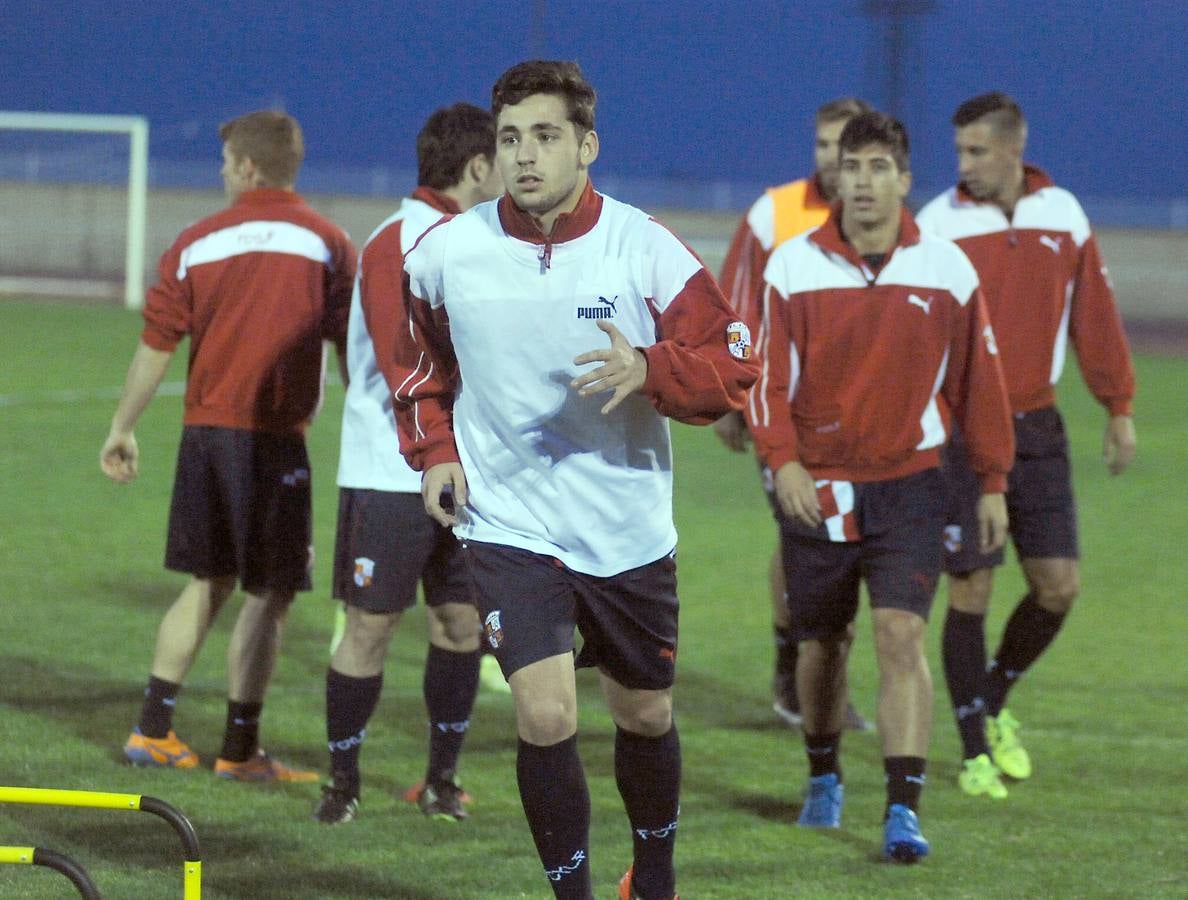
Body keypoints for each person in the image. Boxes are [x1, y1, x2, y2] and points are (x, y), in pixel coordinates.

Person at [391, 60, 757, 900]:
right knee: (546, 715)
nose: (525, 155)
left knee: (645, 716)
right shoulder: (448, 253)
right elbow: (417, 367)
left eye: (547, 136)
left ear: (587, 146)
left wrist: (653, 366)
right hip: (509, 522)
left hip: (626, 527)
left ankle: (653, 876)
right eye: (512, 138)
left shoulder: (644, 246)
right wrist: (436, 450)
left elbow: (735, 362)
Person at [746, 112, 1014, 862]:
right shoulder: (793, 266)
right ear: (839, 177)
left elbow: (979, 386)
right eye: (852, 166)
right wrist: (784, 461)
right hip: (818, 489)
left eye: (878, 167)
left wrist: (991, 480)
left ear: (904, 179)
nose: (862, 181)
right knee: (824, 646)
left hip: (910, 485)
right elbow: (765, 381)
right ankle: (823, 774)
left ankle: (904, 808)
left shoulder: (947, 270)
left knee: (902, 636)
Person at [101, 110, 356, 781]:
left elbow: (157, 342)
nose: (221, 173)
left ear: (247, 166)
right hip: (272, 442)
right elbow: (349, 346)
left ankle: (152, 730)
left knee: (208, 582)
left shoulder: (196, 242)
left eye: (224, 163)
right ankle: (239, 751)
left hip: (205, 437)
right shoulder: (328, 241)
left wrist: (122, 427)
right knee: (270, 594)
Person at [917, 92, 1136, 797]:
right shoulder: (935, 225)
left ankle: (993, 697)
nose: (965, 165)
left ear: (1015, 149)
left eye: (977, 152)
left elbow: (1094, 317)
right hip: (960, 431)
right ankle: (976, 749)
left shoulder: (1062, 214)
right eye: (960, 152)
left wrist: (1118, 405)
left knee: (1058, 586)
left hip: (1038, 425)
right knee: (972, 588)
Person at [312, 103, 504, 825]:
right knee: (370, 628)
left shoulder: (460, 236)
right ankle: (342, 785)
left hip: (461, 475)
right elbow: (407, 363)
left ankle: (441, 782)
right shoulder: (403, 239)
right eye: (504, 154)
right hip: (393, 473)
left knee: (460, 626)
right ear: (476, 166)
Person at [717, 97, 874, 732]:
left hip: (862, 420)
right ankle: (796, 677)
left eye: (843, 145)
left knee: (852, 547)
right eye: (821, 144)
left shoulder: (880, 215)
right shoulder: (774, 213)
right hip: (782, 412)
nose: (830, 158)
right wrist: (731, 394)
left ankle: (820, 680)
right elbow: (732, 308)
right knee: (804, 534)